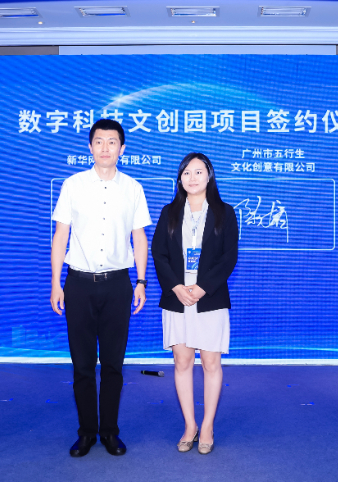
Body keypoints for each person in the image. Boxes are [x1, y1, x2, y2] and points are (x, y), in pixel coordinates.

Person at [50, 119, 152, 457]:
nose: (105, 147)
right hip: (78, 284)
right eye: (99, 141)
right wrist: (55, 283)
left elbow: (139, 237)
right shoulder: (73, 185)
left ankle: (109, 432)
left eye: (112, 142)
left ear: (122, 149)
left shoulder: (133, 188)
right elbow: (61, 235)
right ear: (90, 147)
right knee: (81, 365)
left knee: (112, 364)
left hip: (118, 286)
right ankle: (86, 433)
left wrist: (141, 281)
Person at [151, 152, 238, 455]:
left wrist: (202, 288)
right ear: (180, 178)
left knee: (211, 364)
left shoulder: (225, 212)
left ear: (209, 176)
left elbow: (229, 258)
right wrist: (176, 287)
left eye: (198, 172)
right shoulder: (169, 212)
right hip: (176, 298)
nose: (192, 177)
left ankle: (208, 426)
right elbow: (159, 254)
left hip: (210, 298)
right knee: (182, 363)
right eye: (186, 172)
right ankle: (190, 425)